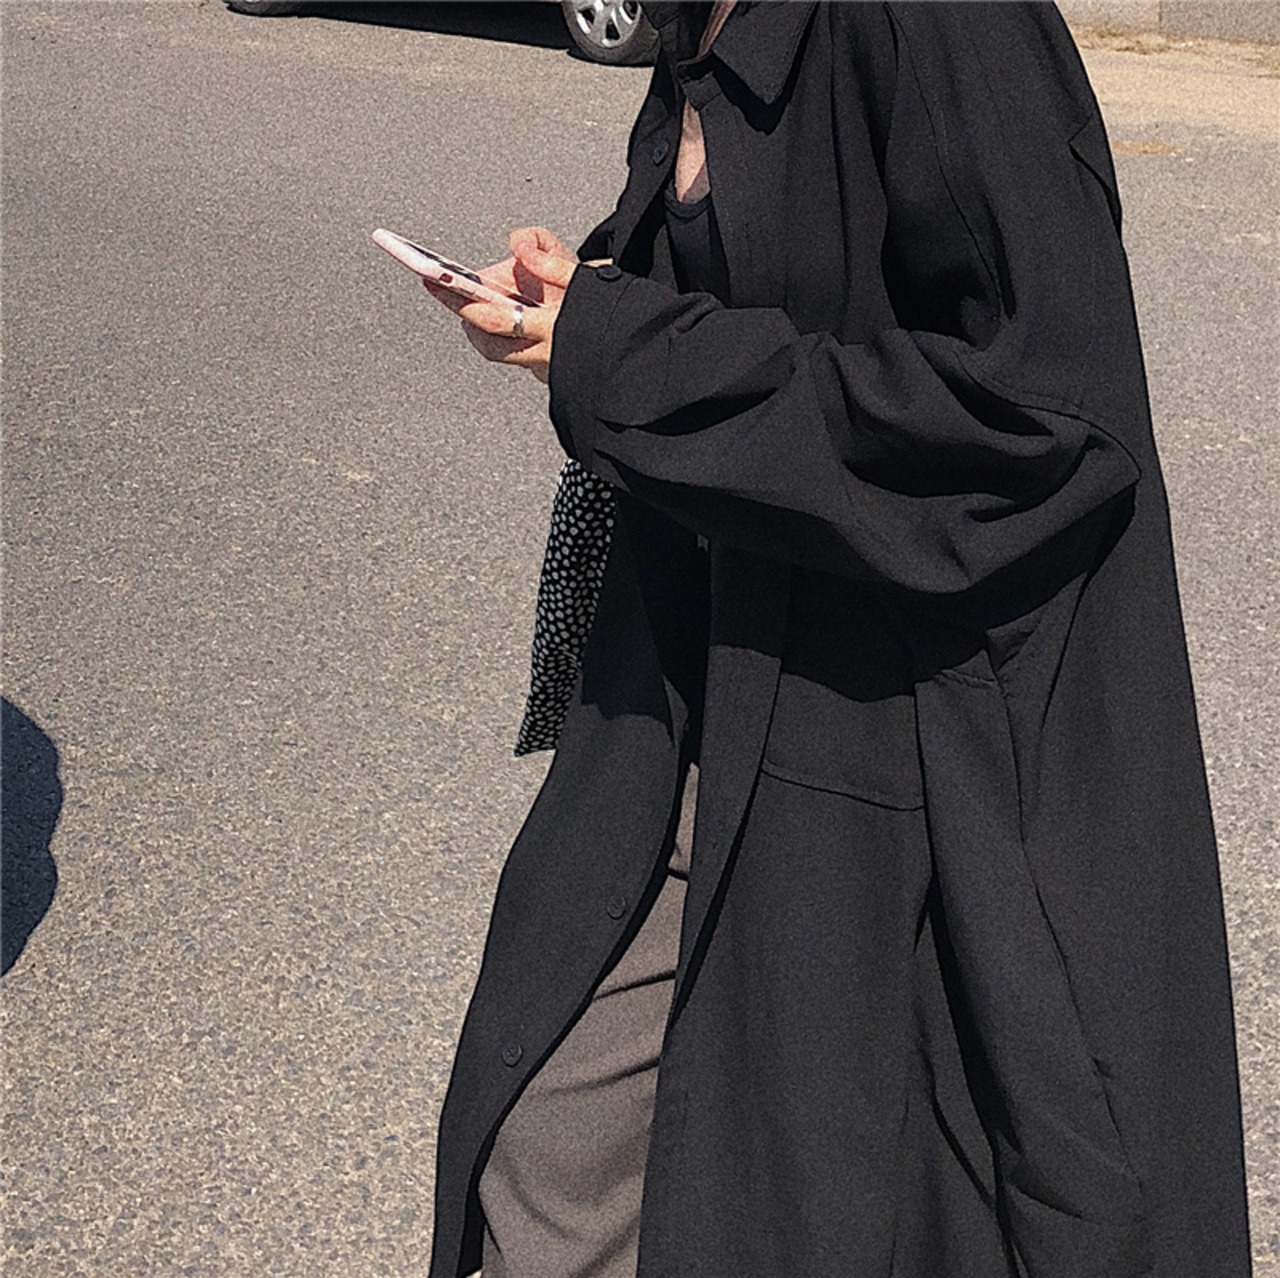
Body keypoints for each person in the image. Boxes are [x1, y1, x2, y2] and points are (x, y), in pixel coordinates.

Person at [415, 4, 1252, 1276]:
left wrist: (624, 360)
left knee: (840, 1201)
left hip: (908, 758)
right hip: (709, 688)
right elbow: (762, 284)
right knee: (547, 1154)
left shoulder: (945, 23)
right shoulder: (704, 12)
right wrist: (584, 306)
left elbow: (1043, 417)